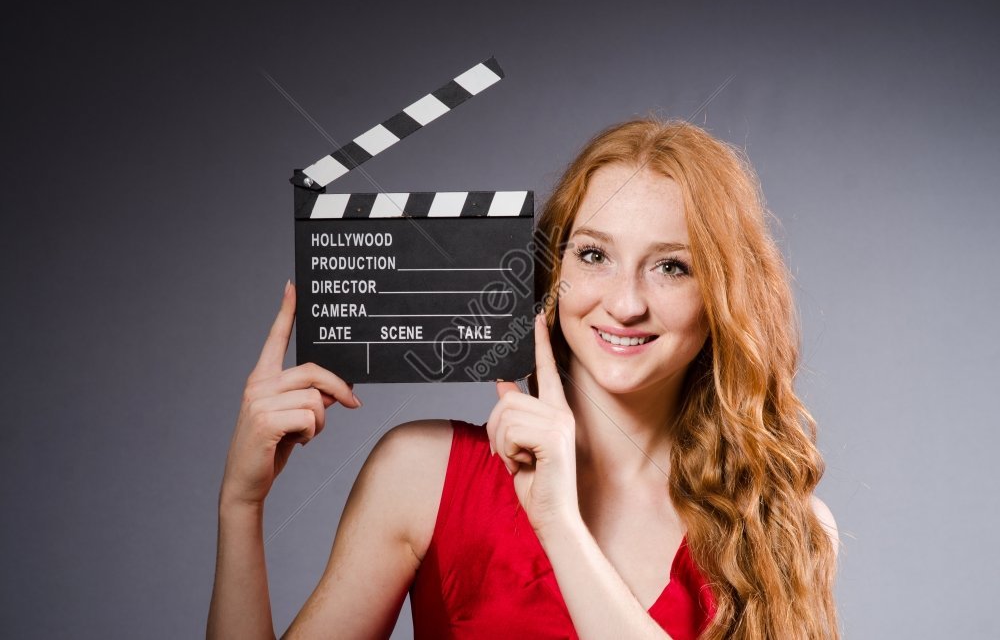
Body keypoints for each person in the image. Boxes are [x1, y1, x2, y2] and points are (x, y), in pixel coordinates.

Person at [207, 118, 841, 639]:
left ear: (724, 295)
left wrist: (559, 523)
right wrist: (240, 507)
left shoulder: (782, 527)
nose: (625, 303)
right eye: (593, 255)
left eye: (672, 267)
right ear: (550, 271)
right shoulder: (424, 474)